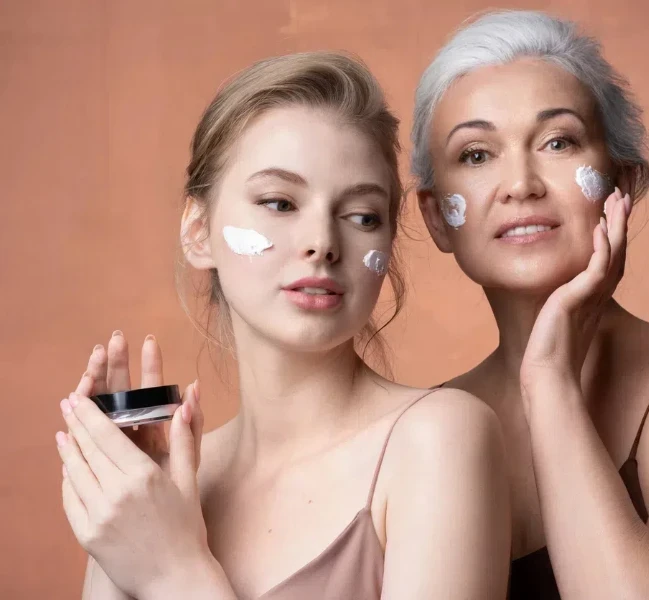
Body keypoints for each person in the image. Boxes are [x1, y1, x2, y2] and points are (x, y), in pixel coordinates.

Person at [56, 51, 510, 600]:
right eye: (279, 202)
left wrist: (172, 574)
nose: (322, 240)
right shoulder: (168, 482)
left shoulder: (437, 439)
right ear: (198, 232)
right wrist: (123, 502)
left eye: (362, 215)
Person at [412, 10, 649, 599]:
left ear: (624, 181)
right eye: (476, 155)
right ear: (438, 217)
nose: (521, 183)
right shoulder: (421, 429)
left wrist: (549, 381)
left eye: (558, 141)